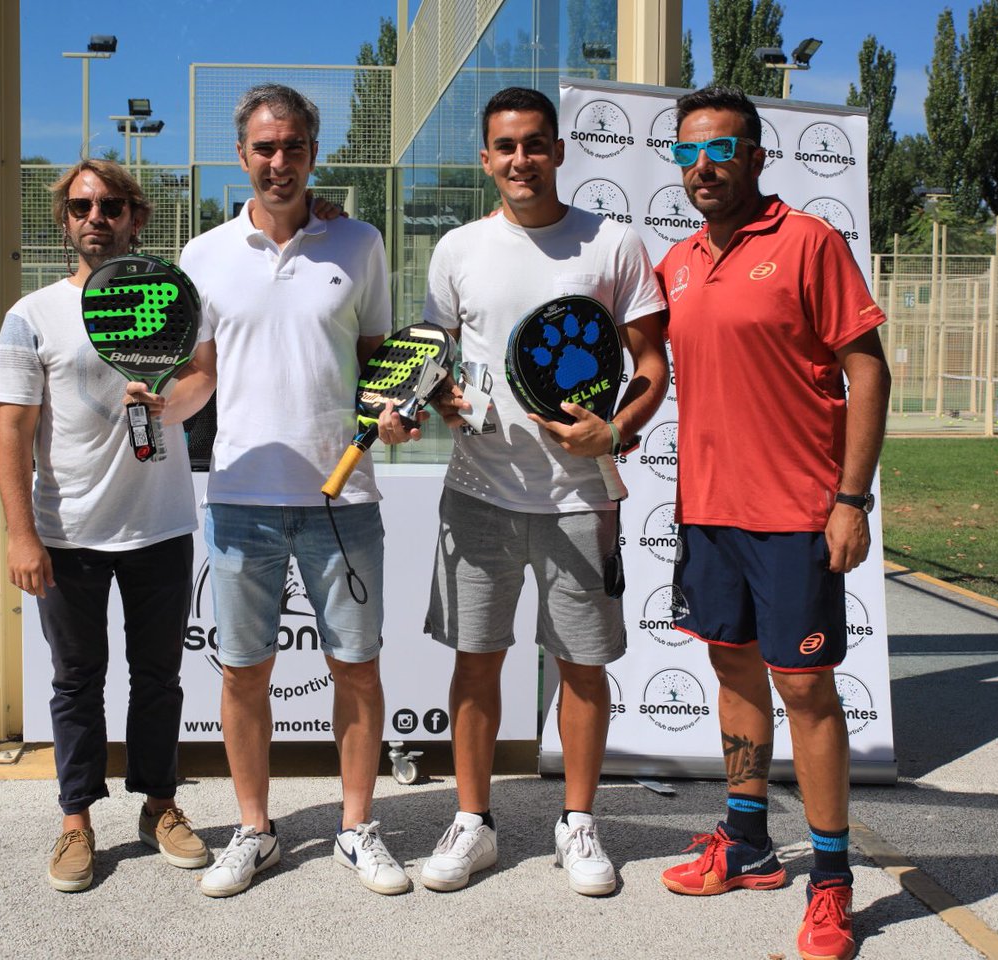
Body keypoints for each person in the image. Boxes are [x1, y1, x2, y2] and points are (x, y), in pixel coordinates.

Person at [380, 87, 668, 896]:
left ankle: (577, 823)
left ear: (558, 151)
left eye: (535, 144)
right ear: (485, 158)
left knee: (581, 666)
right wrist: (437, 403)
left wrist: (613, 433)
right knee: (478, 662)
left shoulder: (611, 244)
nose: (520, 160)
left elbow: (651, 367)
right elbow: (437, 360)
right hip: (479, 493)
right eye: (505, 146)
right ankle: (474, 822)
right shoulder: (458, 249)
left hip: (581, 499)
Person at [133, 83, 408, 898]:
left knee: (356, 667)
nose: (279, 161)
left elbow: (379, 362)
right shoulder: (204, 255)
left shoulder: (359, 244)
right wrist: (161, 402)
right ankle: (256, 831)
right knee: (243, 672)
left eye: (293, 147)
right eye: (264, 148)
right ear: (242, 155)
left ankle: (357, 828)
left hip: (342, 497)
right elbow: (199, 383)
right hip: (241, 498)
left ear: (313, 153)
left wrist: (388, 418)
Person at [653, 87, 891, 960]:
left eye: (720, 150)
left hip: (796, 515)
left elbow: (869, 374)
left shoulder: (808, 243)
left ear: (757, 156)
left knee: (806, 693)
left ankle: (832, 883)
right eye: (687, 154)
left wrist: (851, 499)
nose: (703, 167)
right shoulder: (675, 262)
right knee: (737, 675)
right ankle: (748, 844)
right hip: (707, 513)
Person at [0, 159, 205, 892]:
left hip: (161, 526)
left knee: (158, 679)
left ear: (136, 217)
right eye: (81, 205)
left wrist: (169, 399)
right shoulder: (31, 315)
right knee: (77, 682)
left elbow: (203, 370)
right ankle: (76, 821)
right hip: (67, 532)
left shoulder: (174, 298)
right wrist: (21, 534)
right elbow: (12, 433)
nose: (96, 216)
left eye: (112, 204)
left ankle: (161, 807)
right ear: (65, 219)